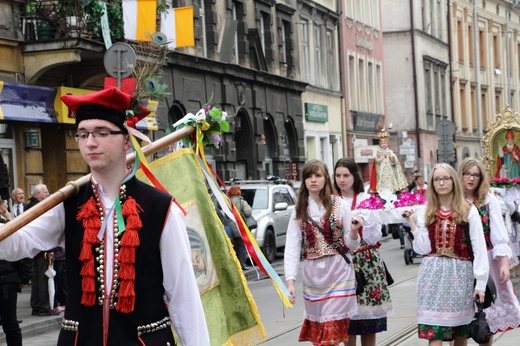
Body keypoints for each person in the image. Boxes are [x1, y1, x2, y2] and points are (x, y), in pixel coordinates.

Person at [0, 87, 209, 345]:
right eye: (83, 134)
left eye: (101, 132)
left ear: (125, 139)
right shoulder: (66, 204)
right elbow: (15, 244)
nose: (90, 142)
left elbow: (183, 296)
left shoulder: (161, 208)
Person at [403, 163, 489, 345]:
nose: (441, 183)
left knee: (460, 334)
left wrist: (480, 283)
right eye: (436, 179)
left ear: (453, 181)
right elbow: (423, 249)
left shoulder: (468, 210)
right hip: (431, 275)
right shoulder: (426, 211)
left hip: (459, 276)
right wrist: (412, 224)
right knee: (434, 332)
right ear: (432, 184)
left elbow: (479, 247)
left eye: (445, 178)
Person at [284, 159, 361, 345]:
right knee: (322, 331)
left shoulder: (340, 204)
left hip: (339, 271)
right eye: (309, 176)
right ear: (304, 181)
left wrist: (353, 231)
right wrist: (290, 281)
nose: (313, 180)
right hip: (313, 276)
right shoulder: (299, 210)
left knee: (334, 326)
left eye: (318, 175)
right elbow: (292, 246)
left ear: (326, 178)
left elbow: (352, 246)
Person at [457, 157, 520, 343]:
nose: (471, 178)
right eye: (467, 174)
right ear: (460, 175)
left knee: (486, 317)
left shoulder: (489, 200)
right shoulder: (454, 200)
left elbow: (499, 234)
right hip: (460, 261)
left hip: (487, 259)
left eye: (475, 175)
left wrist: (504, 264)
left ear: (481, 178)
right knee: (460, 319)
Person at [334, 158, 393, 346]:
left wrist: (365, 219)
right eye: (338, 175)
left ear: (354, 176)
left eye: (346, 175)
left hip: (367, 260)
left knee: (369, 321)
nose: (341, 180)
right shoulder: (333, 201)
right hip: (342, 261)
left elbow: (375, 236)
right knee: (346, 320)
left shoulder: (365, 199)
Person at [0, 197, 33, 346]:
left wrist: (24, 277)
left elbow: (23, 250)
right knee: (10, 324)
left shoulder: (7, 226)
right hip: (8, 279)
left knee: (10, 323)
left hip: (6, 281)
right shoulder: (8, 225)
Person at [26, 184, 58, 316]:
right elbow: (44, 230)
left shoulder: (32, 207)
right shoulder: (37, 208)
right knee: (42, 278)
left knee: (38, 278)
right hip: (41, 249)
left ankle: (39, 305)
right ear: (37, 194)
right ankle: (42, 306)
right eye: (45, 192)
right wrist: (50, 248)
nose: (48, 194)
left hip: (36, 248)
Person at [227, 185, 251, 270]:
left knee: (234, 246)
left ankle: (235, 264)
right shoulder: (241, 202)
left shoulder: (227, 202)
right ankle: (242, 264)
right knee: (242, 245)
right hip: (239, 226)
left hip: (229, 227)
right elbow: (248, 212)